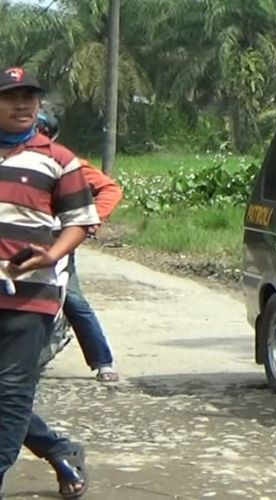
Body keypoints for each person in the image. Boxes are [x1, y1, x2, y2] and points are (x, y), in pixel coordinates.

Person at [0, 67, 99, 498]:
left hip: (31, 294)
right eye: (10, 97)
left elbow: (81, 221)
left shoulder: (59, 159)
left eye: (29, 97)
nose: (22, 104)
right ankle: (59, 449)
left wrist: (52, 255)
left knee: (10, 391)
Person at [36, 111, 123, 383]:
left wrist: (90, 218)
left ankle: (102, 360)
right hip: (12, 239)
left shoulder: (64, 160)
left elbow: (110, 189)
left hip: (55, 239)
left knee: (71, 298)